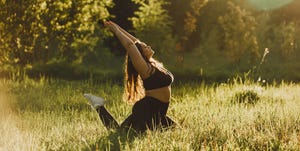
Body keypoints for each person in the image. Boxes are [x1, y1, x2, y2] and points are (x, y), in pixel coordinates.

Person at [84, 21, 176, 133]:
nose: (148, 46)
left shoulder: (153, 64)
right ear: (140, 54)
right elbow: (131, 46)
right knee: (120, 134)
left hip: (159, 112)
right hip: (147, 110)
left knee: (119, 132)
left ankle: (98, 105)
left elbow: (135, 42)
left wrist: (118, 27)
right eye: (145, 47)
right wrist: (116, 31)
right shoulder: (144, 68)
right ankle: (99, 106)